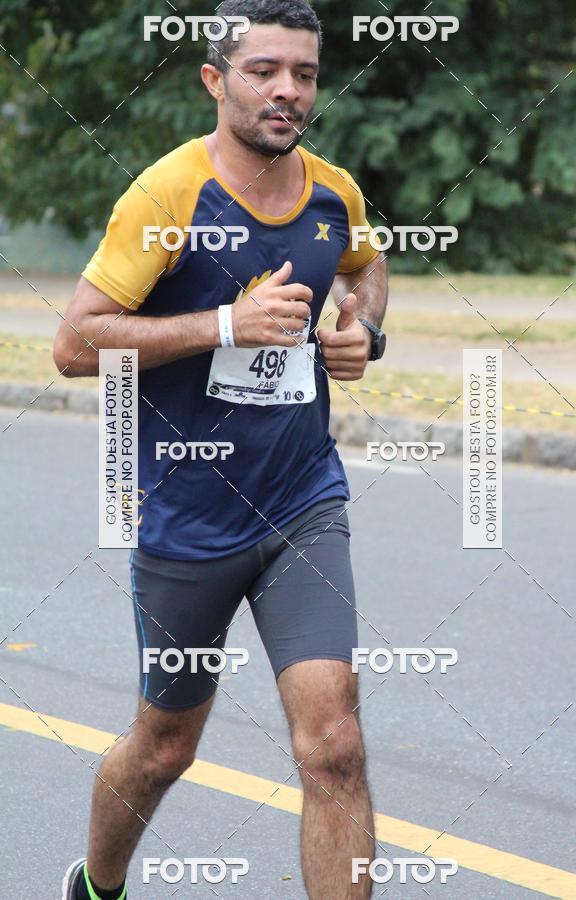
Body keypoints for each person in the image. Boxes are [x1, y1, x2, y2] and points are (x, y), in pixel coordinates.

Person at [55, 1, 388, 897]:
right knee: (165, 748)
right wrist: (223, 325)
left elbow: (365, 267)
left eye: (306, 74)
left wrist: (365, 333)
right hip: (186, 519)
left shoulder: (332, 193)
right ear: (214, 79)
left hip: (301, 503)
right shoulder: (167, 195)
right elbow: (75, 344)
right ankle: (99, 884)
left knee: (335, 744)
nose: (288, 91)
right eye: (264, 70)